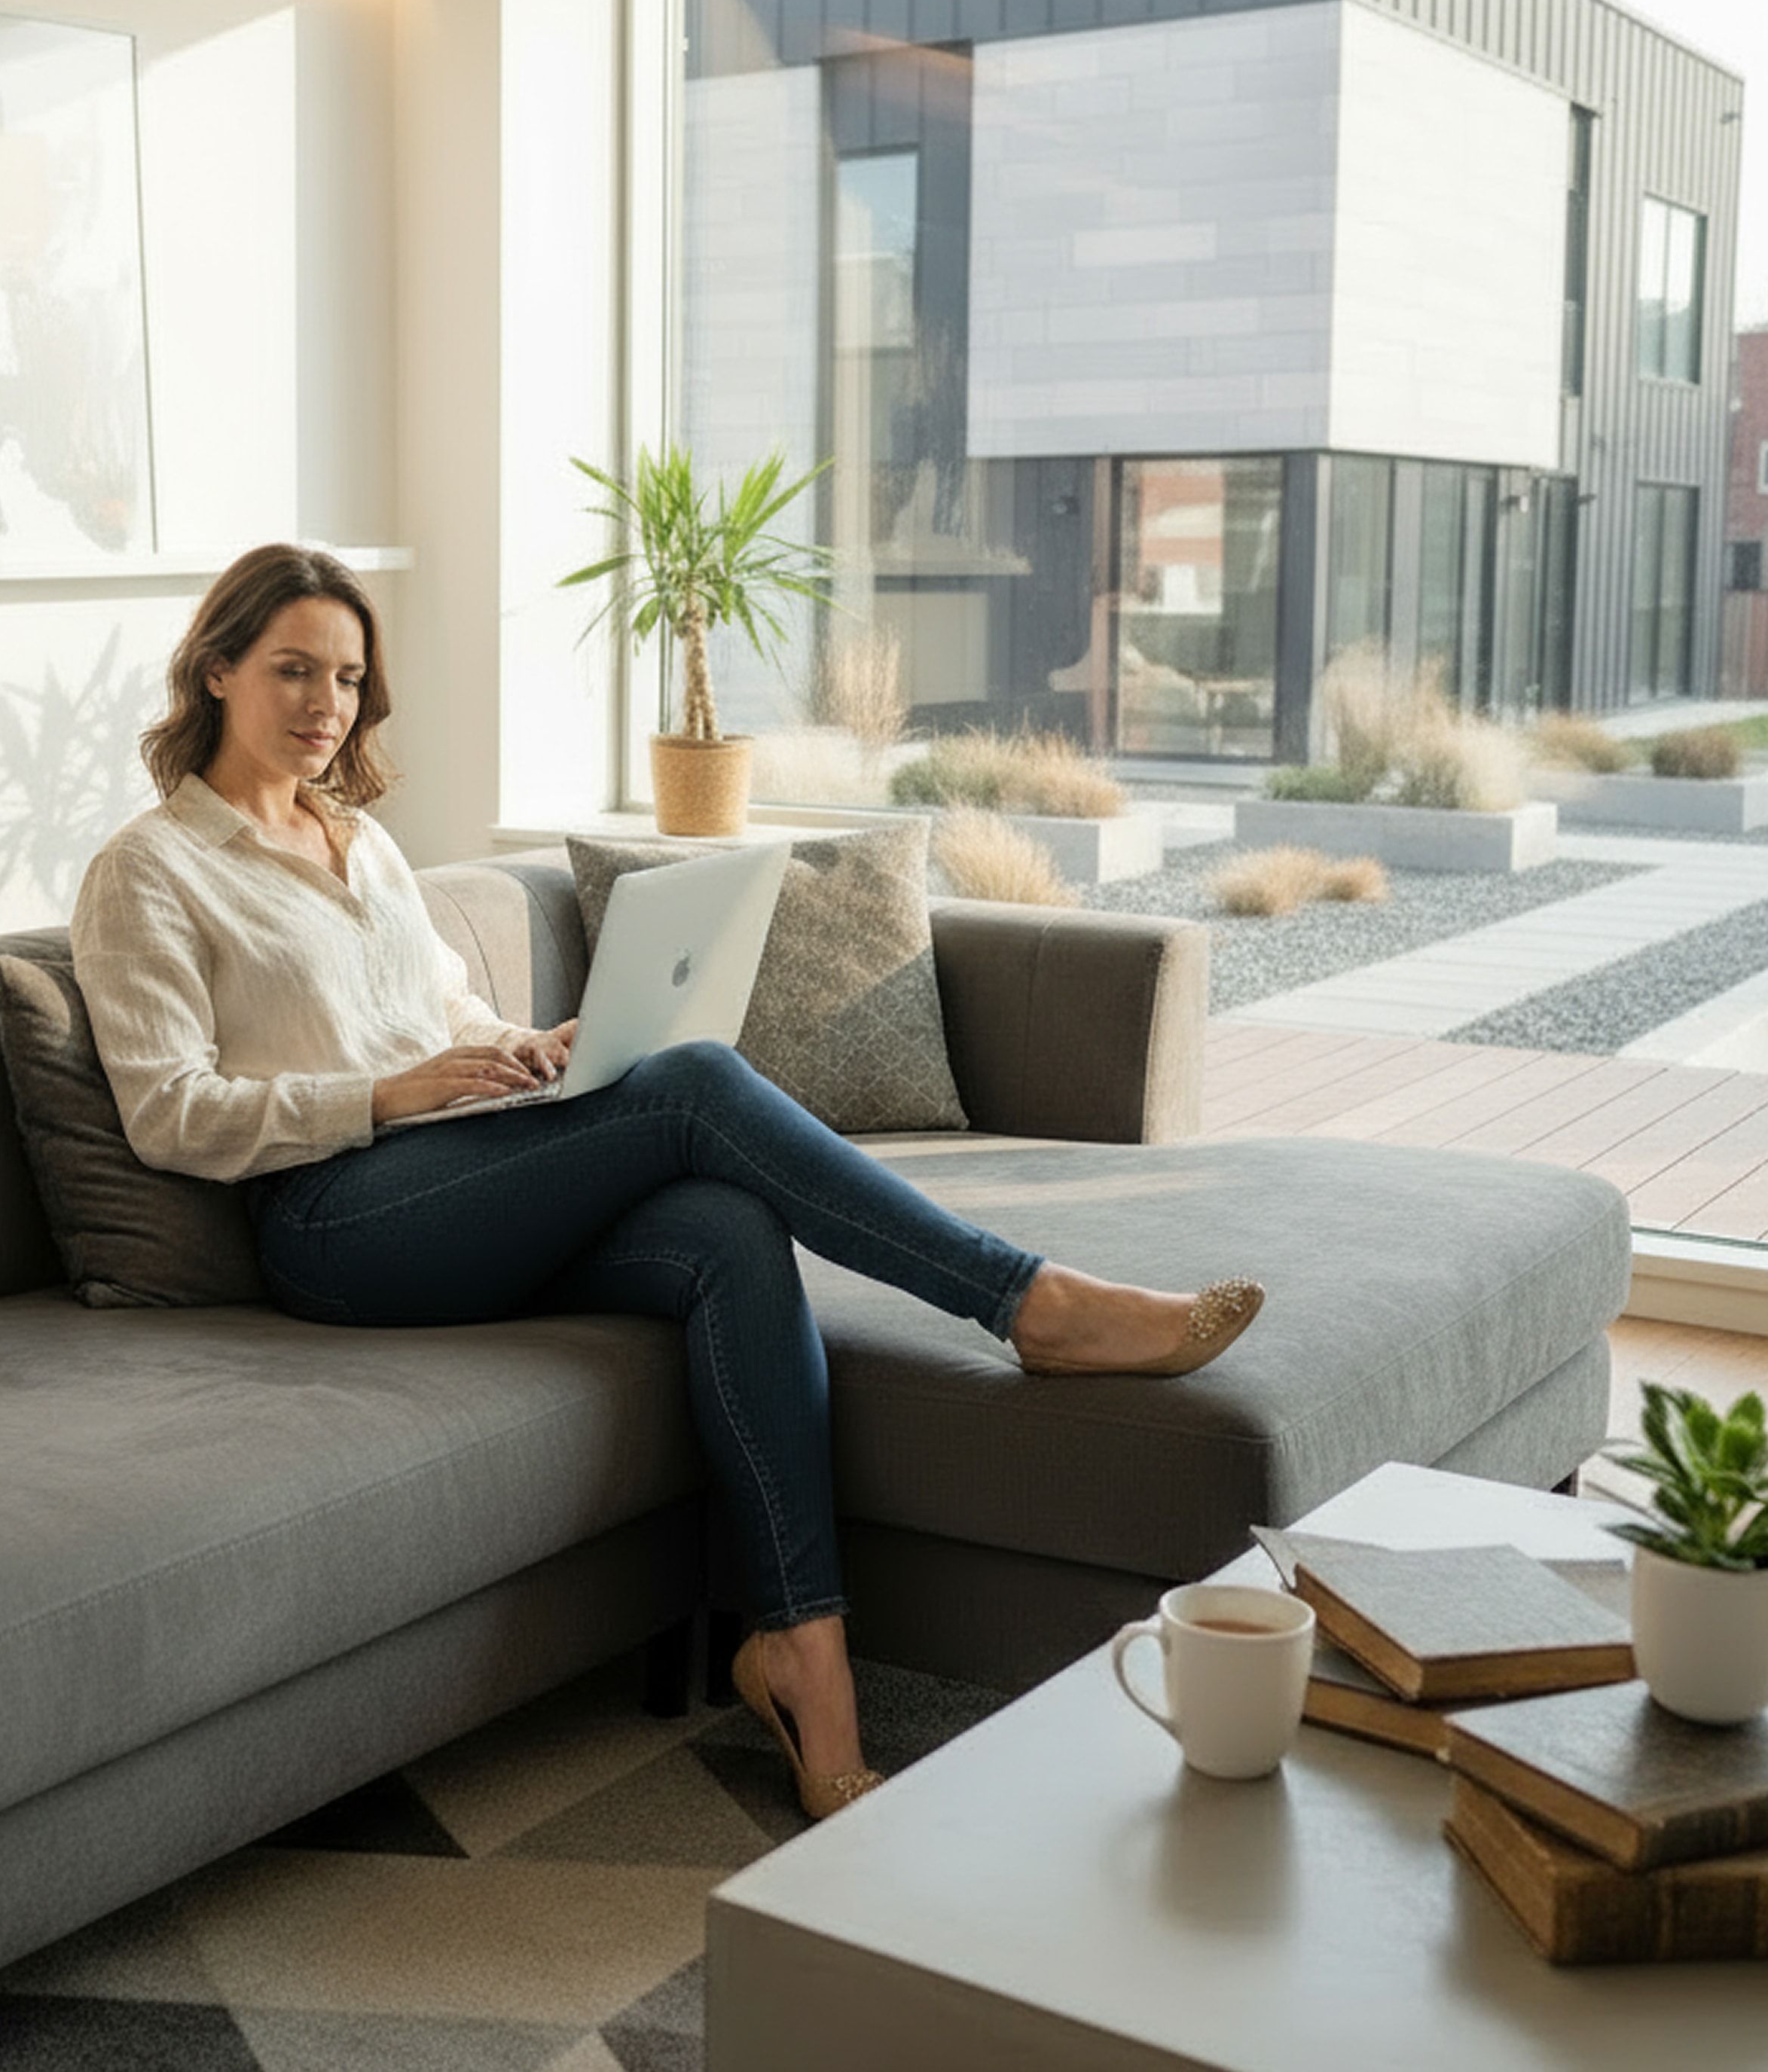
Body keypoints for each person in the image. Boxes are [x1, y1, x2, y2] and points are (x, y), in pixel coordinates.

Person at [69, 544, 1263, 1820]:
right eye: (294, 670)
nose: (326, 705)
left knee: (724, 1228)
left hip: (455, 1175)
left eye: (350, 679)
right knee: (693, 1084)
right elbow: (168, 1113)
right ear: (216, 669)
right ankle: (1032, 1305)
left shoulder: (357, 841)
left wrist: (515, 1046)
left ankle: (801, 1655)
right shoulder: (150, 871)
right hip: (334, 1224)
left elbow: (439, 1005)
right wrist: (376, 1098)